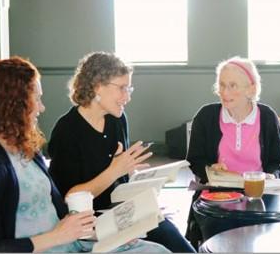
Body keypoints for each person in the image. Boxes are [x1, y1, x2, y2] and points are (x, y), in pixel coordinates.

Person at [0, 57, 166, 252]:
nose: (42, 108)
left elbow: (61, 213)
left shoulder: (28, 150)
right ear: (12, 104)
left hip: (71, 243)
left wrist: (108, 233)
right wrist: (57, 236)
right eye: (37, 99)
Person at [47, 52, 194, 252]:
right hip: (87, 223)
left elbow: (121, 179)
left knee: (170, 234)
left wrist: (142, 195)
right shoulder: (67, 130)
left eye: (129, 88)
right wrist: (116, 170)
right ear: (97, 86)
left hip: (119, 210)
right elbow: (70, 197)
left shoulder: (117, 119)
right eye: (122, 88)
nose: (128, 97)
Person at [185, 56, 280, 246]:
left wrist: (271, 175)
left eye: (233, 85)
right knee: (220, 238)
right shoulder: (206, 116)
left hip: (258, 196)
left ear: (252, 88)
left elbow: (277, 162)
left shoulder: (266, 116)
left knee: (266, 239)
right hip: (217, 198)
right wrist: (210, 168)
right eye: (222, 85)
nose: (225, 92)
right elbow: (194, 160)